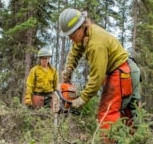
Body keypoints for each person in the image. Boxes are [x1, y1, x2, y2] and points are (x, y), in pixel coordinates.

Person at [59, 8, 141, 141]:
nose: (70, 39)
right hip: (130, 69)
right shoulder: (86, 33)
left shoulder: (96, 44)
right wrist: (69, 68)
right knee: (129, 114)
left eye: (72, 35)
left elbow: (97, 78)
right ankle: (133, 140)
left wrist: (82, 99)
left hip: (122, 73)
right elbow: (76, 50)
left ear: (80, 27)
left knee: (107, 113)